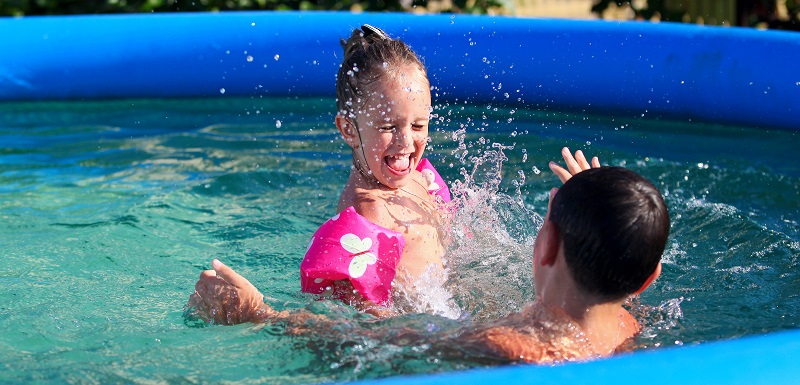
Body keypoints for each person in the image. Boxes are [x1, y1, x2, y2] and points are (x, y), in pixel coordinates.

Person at [187, 166, 670, 364]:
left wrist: (258, 314)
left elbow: (364, 341)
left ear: (543, 250)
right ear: (647, 279)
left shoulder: (512, 345)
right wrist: (598, 210)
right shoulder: (626, 322)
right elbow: (624, 268)